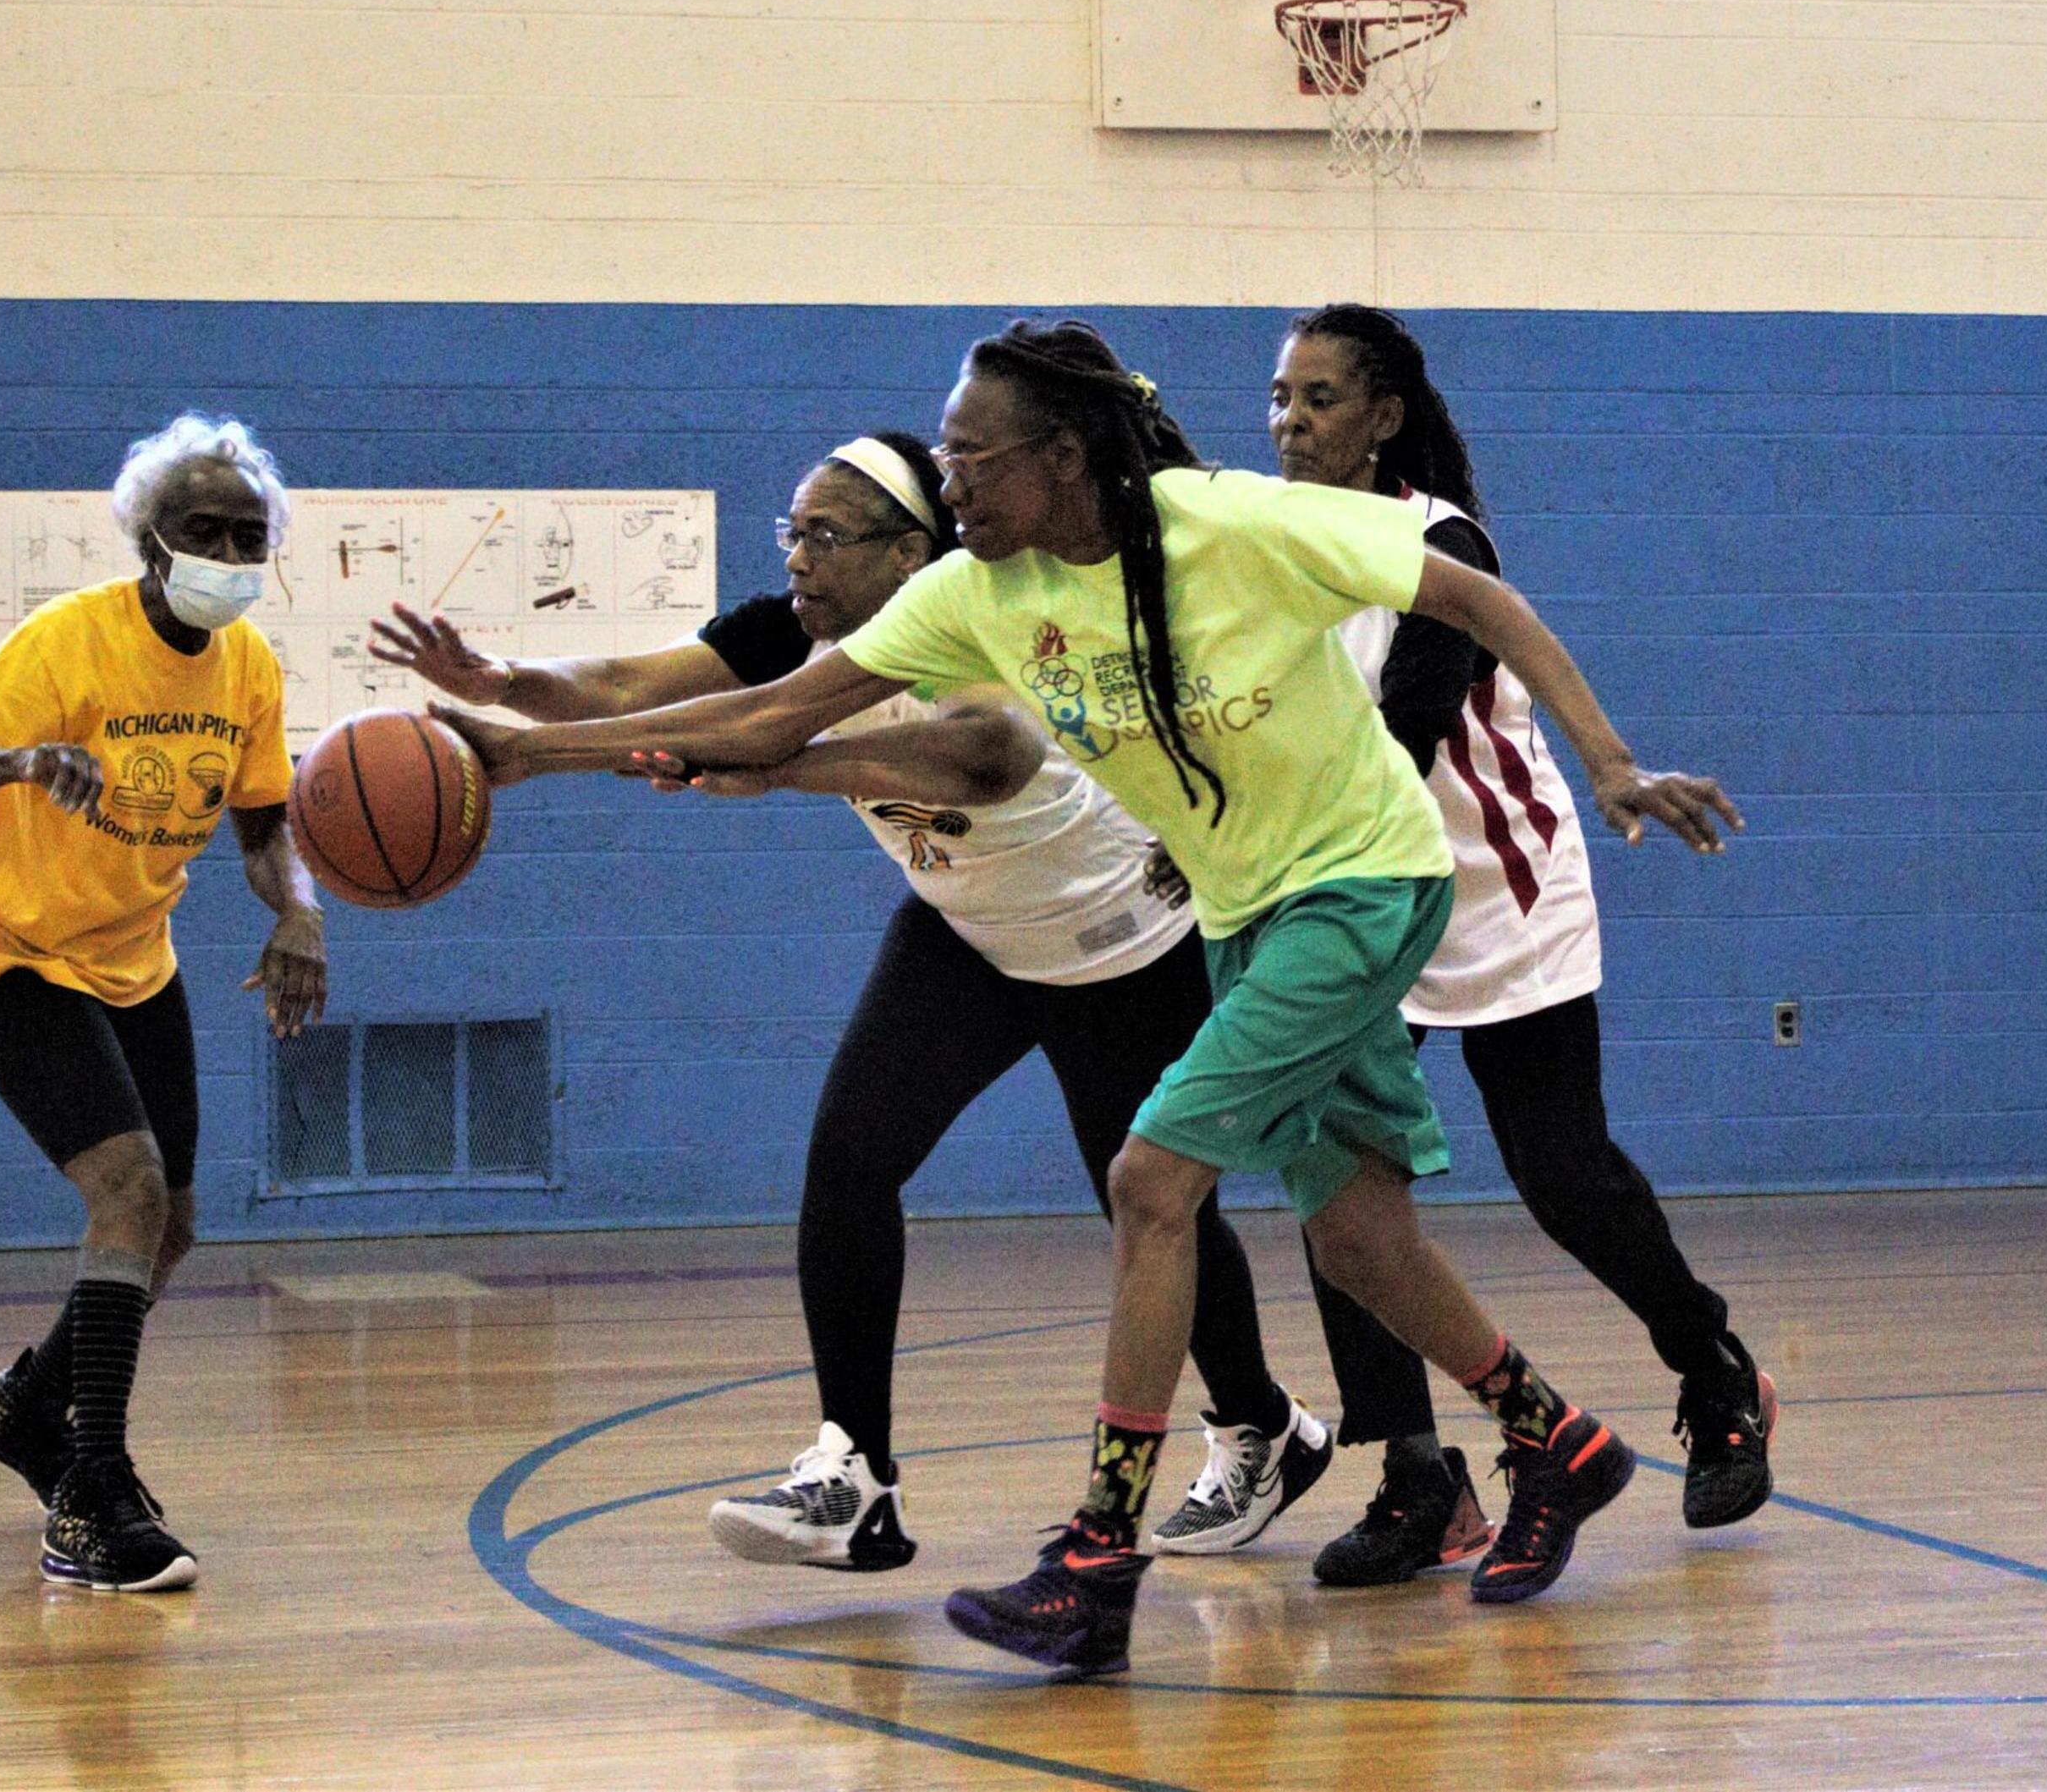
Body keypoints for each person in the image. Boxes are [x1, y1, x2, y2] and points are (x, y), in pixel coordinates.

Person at [432, 321, 1738, 1677]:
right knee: (1356, 1240)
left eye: (971, 461)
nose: (954, 491)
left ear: (1061, 460)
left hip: (1364, 880)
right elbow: (774, 715)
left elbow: (1481, 602)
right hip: (1246, 912)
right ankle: (1562, 1441)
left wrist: (1613, 763)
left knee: (1150, 1179)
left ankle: (1095, 1557)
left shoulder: (1224, 523)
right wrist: (529, 754)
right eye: (942, 461)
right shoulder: (975, 594)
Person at [369, 432, 1336, 1572]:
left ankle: (1263, 1425)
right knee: (848, 1155)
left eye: (828, 537)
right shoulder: (798, 628)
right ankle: (854, 1474)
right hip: (968, 930)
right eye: (794, 531)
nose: (800, 560)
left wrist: (572, 754)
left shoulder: (989, 627)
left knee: (1148, 1208)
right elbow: (634, 687)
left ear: (912, 553)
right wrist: (507, 692)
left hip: (1115, 937)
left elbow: (974, 763)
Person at [1263, 304, 1778, 1592]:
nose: (1290, 420)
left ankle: (1714, 1369)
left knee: (1562, 1173)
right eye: (1279, 395)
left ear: (1383, 418)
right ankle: (1419, 1476)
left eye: (1320, 396)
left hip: (1496, 887)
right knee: (1345, 1192)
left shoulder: (1439, 540)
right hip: (1358, 894)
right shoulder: (1263, 547)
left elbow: (1402, 726)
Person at [0, 413, 329, 1594]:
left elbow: (265, 826)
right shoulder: (67, 642)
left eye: (249, 536)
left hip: (137, 959)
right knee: (126, 1186)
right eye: (205, 531)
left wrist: (300, 910)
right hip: (14, 954)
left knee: (172, 1223)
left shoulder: (250, 669)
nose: (229, 553)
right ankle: (88, 1490)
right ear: (150, 539)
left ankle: (28, 1408)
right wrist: (21, 760)